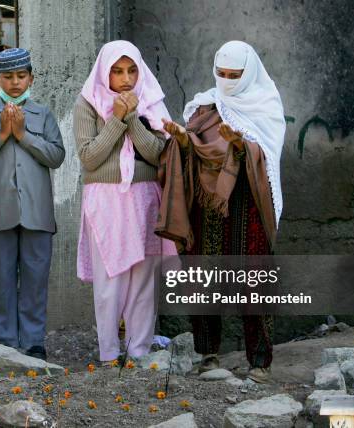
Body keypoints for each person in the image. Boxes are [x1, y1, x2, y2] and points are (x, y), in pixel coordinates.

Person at [159, 41, 285, 383]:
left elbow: (268, 154)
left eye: (235, 75)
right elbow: (194, 150)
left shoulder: (265, 106)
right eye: (222, 74)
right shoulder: (204, 106)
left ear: (249, 74)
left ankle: (259, 362)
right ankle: (207, 355)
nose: (227, 81)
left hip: (248, 205)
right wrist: (184, 141)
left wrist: (242, 145)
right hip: (208, 206)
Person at [74, 40, 177, 363]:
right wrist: (116, 120)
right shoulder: (88, 103)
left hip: (145, 199)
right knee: (109, 281)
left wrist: (132, 118)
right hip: (105, 201)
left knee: (143, 280)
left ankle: (139, 352)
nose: (126, 78)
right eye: (117, 71)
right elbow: (90, 158)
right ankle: (108, 354)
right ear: (106, 72)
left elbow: (159, 154)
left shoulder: (151, 101)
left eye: (132, 70)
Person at [0, 48, 65, 361]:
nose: (15, 83)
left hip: (37, 213)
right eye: (8, 77)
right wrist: (2, 134)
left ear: (31, 78)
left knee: (35, 279)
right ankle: (4, 339)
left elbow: (56, 156)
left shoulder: (42, 115)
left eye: (21, 76)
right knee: (1, 279)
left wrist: (22, 135)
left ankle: (34, 341)